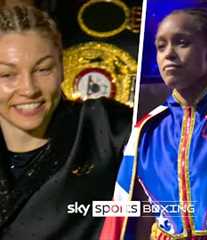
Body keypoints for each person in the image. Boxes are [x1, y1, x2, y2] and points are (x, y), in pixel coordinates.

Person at [100, 8, 207, 240]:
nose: (169, 54)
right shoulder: (147, 130)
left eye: (181, 42)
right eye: (160, 46)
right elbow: (123, 212)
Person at [0, 5, 132, 240]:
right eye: (7, 75)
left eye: (43, 69)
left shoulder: (105, 129)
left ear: (62, 66)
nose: (29, 89)